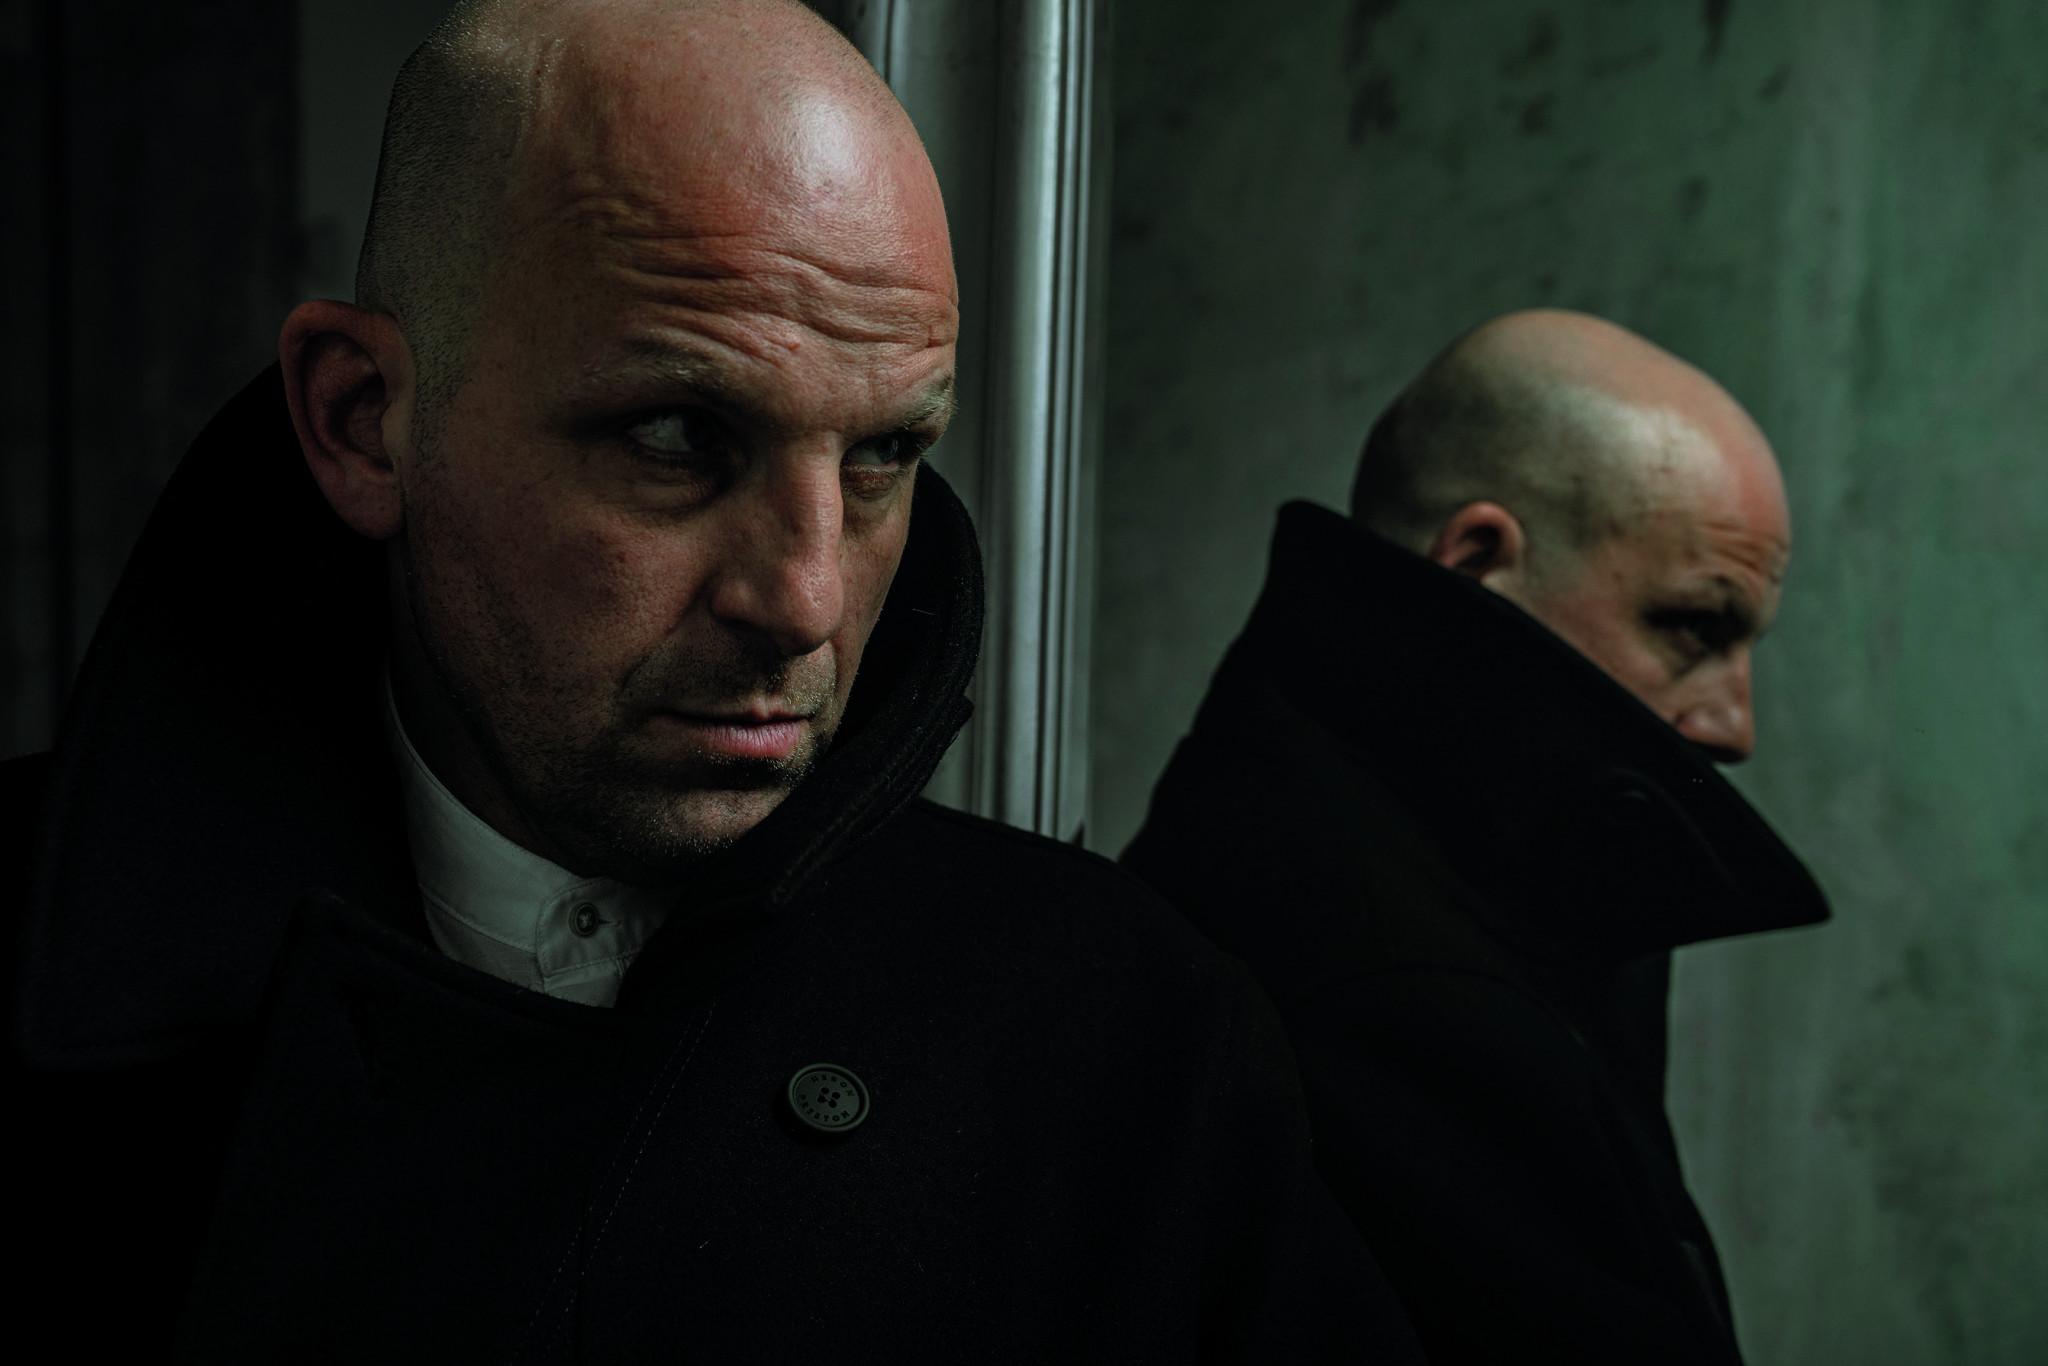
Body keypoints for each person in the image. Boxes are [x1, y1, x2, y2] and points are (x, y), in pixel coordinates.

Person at [1, 2, 1424, 1358]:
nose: (805, 600)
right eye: (679, 435)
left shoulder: (1127, 1042)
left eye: (884, 455)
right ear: (364, 420)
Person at [1122, 309, 1832, 1366]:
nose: (1736, 724)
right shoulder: (1391, 984)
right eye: (1694, 624)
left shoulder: (1407, 877)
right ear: (1477, 560)